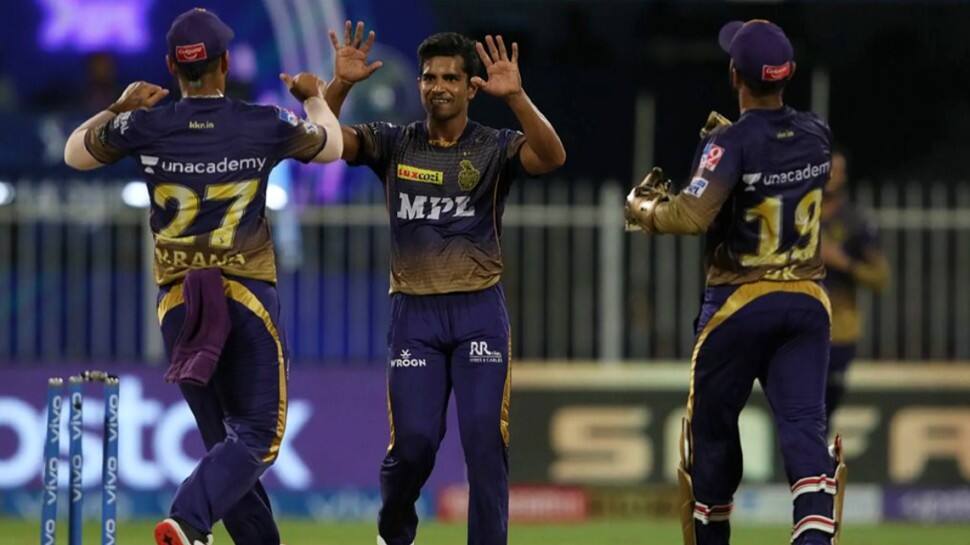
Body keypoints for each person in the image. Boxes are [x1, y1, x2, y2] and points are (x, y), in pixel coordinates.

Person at [63, 8, 343, 545]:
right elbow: (330, 147)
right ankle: (188, 519)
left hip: (178, 306)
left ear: (173, 67)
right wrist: (314, 98)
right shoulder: (263, 122)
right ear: (223, 66)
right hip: (244, 297)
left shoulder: (144, 124)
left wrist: (119, 106)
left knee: (226, 448)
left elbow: (76, 154)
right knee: (258, 437)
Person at [323, 21, 566, 545]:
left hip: (479, 311)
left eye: (451, 78)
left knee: (484, 442)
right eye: (430, 77)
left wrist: (519, 97)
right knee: (414, 445)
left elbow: (551, 157)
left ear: (470, 86)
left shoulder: (496, 147)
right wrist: (338, 86)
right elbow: (322, 143)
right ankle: (395, 525)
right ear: (419, 85)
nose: (438, 86)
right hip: (415, 316)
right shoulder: (393, 143)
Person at [625, 20, 844, 545]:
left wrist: (646, 209)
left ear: (734, 73)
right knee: (804, 433)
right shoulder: (817, 133)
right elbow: (775, 175)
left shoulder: (730, 141)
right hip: (807, 303)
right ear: (786, 75)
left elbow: (693, 215)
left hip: (739, 304)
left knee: (713, 442)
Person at [820, 149, 889, 428]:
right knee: (798, 404)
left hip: (839, 328)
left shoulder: (855, 220)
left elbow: (880, 279)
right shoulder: (795, 215)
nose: (831, 176)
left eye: (837, 170)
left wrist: (843, 262)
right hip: (796, 324)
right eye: (826, 169)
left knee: (826, 404)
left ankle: (816, 463)